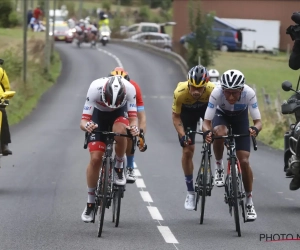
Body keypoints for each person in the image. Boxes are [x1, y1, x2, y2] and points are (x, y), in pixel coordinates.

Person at [202, 69, 262, 221]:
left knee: (244, 161)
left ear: (241, 89)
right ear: (222, 89)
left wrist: (254, 129)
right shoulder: (216, 93)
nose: (230, 96)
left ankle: (249, 201)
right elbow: (206, 122)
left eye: (234, 93)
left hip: (240, 118)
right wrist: (208, 133)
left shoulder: (249, 93)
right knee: (220, 133)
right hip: (221, 115)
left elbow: (258, 122)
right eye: (227, 92)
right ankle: (219, 166)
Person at [80, 75, 139, 222]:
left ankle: (119, 166)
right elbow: (84, 120)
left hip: (120, 115)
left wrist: (134, 128)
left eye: (115, 103)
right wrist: (88, 126)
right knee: (95, 160)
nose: (111, 106)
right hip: (98, 116)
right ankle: (90, 202)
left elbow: (133, 118)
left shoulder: (130, 89)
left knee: (121, 130)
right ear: (104, 93)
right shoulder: (94, 87)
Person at [172, 65, 215, 210]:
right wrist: (183, 136)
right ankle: (190, 192)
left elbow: (219, 115)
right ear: (188, 84)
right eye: (193, 88)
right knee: (188, 150)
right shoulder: (180, 92)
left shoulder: (213, 90)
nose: (196, 91)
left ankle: (213, 165)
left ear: (206, 85)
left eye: (200, 88)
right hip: (187, 114)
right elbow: (176, 116)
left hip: (206, 110)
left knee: (215, 133)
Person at [109, 67, 147, 183]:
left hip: (126, 109)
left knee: (130, 131)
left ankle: (130, 167)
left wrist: (140, 137)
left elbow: (141, 117)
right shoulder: (104, 87)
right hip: (109, 106)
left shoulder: (134, 88)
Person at [0, 59, 13, 156]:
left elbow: (6, 87)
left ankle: (4, 145)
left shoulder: (1, 72)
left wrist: (5, 98)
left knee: (3, 115)